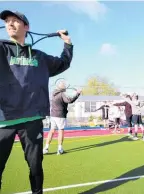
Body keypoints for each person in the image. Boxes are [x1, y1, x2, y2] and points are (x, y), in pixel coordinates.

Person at [0, 10, 73, 193]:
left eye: (15, 21)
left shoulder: (39, 57)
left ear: (27, 27)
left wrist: (67, 44)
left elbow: (63, 63)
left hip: (32, 120)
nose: (10, 24)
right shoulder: (1, 49)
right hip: (3, 121)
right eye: (7, 21)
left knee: (35, 168)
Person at [43, 81, 81, 155]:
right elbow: (69, 100)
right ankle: (60, 149)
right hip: (60, 115)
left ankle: (46, 148)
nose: (66, 87)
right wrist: (77, 93)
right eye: (64, 86)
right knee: (61, 131)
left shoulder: (53, 93)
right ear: (62, 88)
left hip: (53, 115)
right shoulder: (62, 94)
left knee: (51, 131)